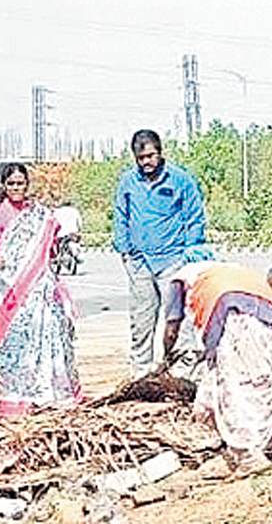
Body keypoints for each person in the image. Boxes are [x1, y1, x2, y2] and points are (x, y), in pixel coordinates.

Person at [164, 248, 272, 477]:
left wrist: (166, 358)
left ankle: (248, 455)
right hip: (269, 321)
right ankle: (234, 448)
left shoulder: (182, 277)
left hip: (232, 322)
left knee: (234, 389)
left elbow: (171, 328)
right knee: (258, 384)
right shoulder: (230, 269)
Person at [0, 163, 83, 419]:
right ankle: (16, 400)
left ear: (27, 185)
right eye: (11, 184)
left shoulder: (39, 214)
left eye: (21, 183)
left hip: (41, 291)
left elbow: (56, 240)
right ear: (4, 186)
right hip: (11, 293)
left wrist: (69, 236)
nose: (16, 188)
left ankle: (48, 394)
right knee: (17, 344)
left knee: (48, 339)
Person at [113, 129, 207, 375]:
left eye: (150, 156)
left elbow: (195, 217)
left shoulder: (180, 180)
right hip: (140, 263)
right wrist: (124, 250)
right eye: (141, 158)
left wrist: (190, 251)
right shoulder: (128, 182)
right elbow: (120, 215)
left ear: (160, 152)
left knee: (178, 321)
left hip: (172, 262)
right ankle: (141, 372)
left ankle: (182, 372)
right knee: (141, 322)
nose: (146, 162)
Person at [53, 198, 84, 273]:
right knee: (76, 243)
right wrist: (79, 230)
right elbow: (79, 223)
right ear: (70, 204)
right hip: (72, 233)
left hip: (60, 233)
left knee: (57, 245)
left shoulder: (57, 212)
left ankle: (56, 257)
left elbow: (54, 223)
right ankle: (77, 256)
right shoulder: (75, 212)